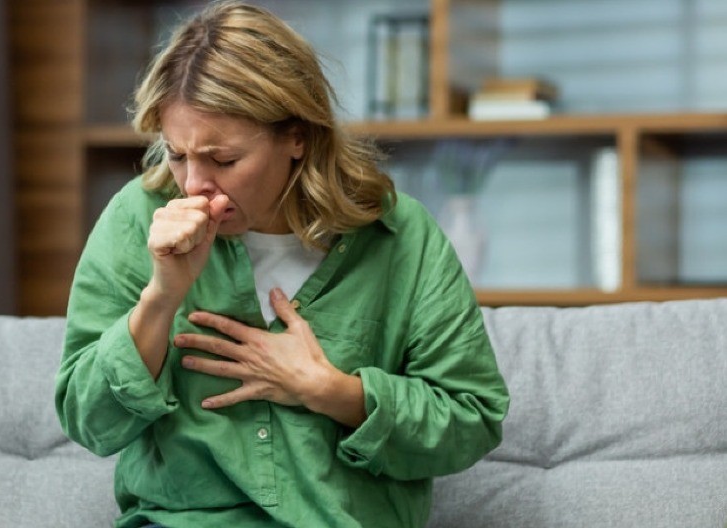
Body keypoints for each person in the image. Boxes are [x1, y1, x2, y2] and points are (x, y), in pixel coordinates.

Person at [55, 2, 509, 527]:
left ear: (297, 137)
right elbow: (88, 423)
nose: (193, 184)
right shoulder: (137, 219)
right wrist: (160, 298)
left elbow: (472, 420)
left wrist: (336, 392)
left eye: (223, 160)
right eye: (177, 155)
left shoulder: (402, 237)